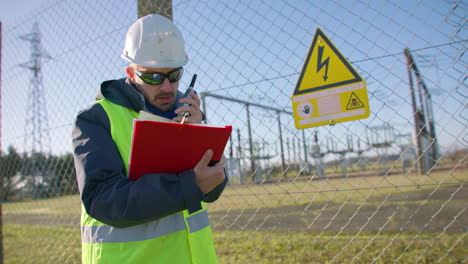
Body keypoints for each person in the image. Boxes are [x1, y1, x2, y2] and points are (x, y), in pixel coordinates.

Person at [72, 14, 228, 264]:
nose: (167, 87)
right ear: (130, 72)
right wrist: (190, 185)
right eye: (153, 77)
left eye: (174, 75)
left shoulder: (186, 114)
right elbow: (103, 199)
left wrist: (200, 136)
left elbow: (212, 188)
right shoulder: (97, 119)